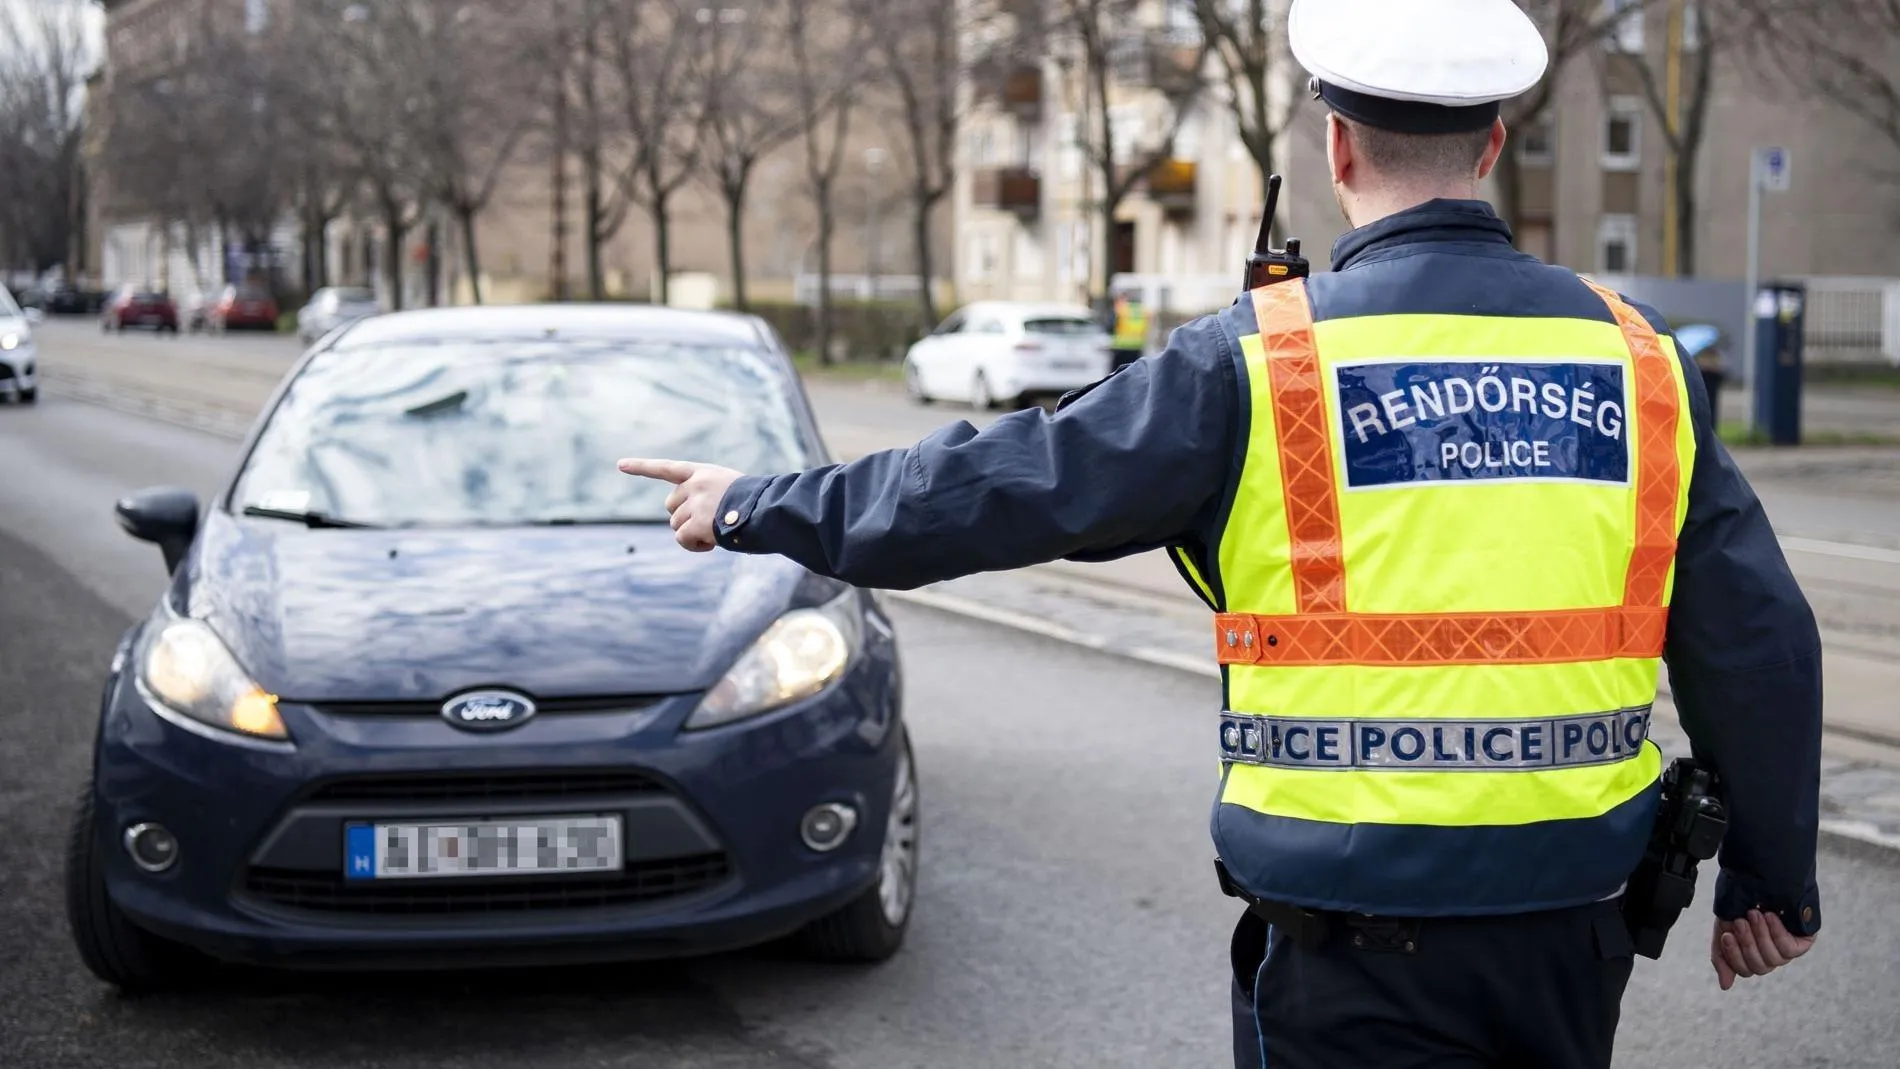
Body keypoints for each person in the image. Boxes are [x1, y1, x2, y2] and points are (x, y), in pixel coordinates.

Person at [618, 0, 1823, 1064]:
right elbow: (1756, 638)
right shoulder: (1640, 360)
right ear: (1494, 145)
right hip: (1574, 924)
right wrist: (1770, 880)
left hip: (1351, 950)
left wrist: (754, 503)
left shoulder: (1258, 360)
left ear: (1338, 147)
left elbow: (1001, 485)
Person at [1110, 290, 1148, 370]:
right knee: (1133, 371)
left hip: (1122, 346)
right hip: (1137, 346)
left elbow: (1111, 326)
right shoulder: (1141, 310)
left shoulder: (1121, 309)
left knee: (1117, 373)